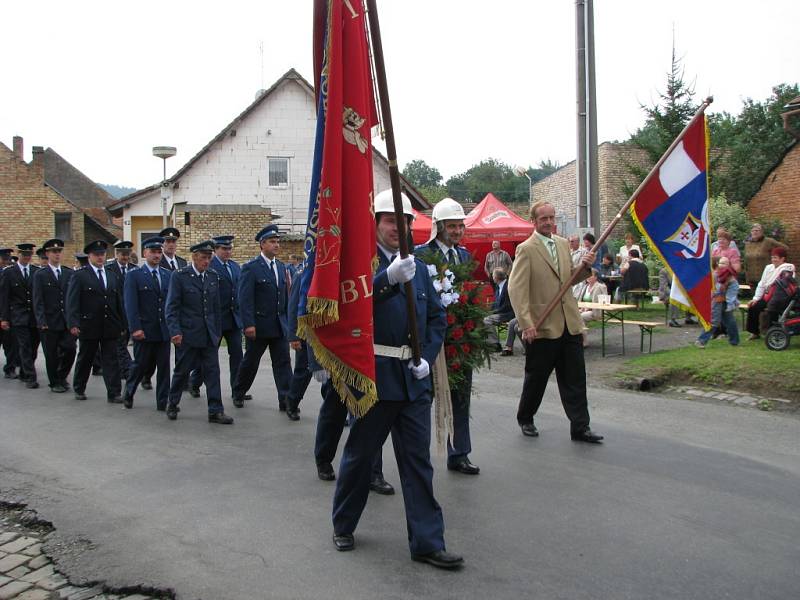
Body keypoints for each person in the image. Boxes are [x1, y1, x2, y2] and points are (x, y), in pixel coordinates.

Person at [332, 190, 463, 570]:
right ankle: (343, 523)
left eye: (406, 222)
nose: (399, 228)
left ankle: (427, 541)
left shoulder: (420, 268)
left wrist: (429, 356)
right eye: (392, 221)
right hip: (374, 379)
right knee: (360, 457)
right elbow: (349, 309)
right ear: (376, 224)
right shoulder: (360, 265)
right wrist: (386, 279)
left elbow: (436, 317)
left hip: (413, 380)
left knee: (418, 463)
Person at [508, 200, 603, 443]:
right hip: (542, 324)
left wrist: (585, 268)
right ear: (534, 221)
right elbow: (516, 289)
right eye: (543, 219)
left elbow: (571, 280)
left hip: (569, 322)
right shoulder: (526, 249)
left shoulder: (562, 244)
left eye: (551, 218)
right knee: (536, 378)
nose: (549, 222)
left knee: (575, 377)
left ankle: (580, 427)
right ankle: (526, 417)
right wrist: (526, 322)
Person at [416, 196, 479, 475]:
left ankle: (459, 453)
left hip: (459, 337)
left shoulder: (464, 256)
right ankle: (418, 455)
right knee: (424, 397)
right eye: (451, 226)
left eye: (460, 226)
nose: (457, 231)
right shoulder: (421, 254)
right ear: (438, 226)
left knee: (460, 395)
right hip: (431, 339)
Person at [164, 240, 233, 424]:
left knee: (212, 372)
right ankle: (172, 403)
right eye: (203, 258)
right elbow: (172, 307)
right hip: (188, 334)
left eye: (209, 258)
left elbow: (215, 308)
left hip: (209, 334)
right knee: (182, 371)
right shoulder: (180, 276)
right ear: (194, 257)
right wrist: (175, 331)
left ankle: (215, 410)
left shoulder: (212, 275)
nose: (207, 261)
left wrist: (217, 331)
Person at [231, 225, 292, 411]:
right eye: (272, 242)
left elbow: (285, 298)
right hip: (259, 326)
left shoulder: (281, 267)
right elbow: (245, 298)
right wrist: (248, 324)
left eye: (277, 241)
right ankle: (239, 391)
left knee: (283, 363)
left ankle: (286, 400)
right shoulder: (251, 268)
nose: (276, 245)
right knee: (250, 362)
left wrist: (289, 324)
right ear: (262, 244)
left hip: (279, 325)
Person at [66, 240, 125, 402]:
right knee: (86, 357)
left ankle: (114, 393)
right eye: (96, 255)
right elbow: (72, 301)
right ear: (90, 256)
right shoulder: (80, 275)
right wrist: (73, 323)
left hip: (109, 324)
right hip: (89, 324)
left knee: (111, 360)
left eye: (102, 254)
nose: (100, 258)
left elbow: (118, 301)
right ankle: (79, 388)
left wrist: (122, 323)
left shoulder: (112, 275)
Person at [189, 235, 245, 403]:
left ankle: (237, 390)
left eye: (229, 249)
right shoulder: (209, 266)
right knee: (208, 356)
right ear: (216, 251)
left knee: (237, 355)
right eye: (224, 249)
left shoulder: (235, 267)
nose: (227, 252)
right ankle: (195, 381)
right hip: (216, 319)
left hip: (233, 319)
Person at [121, 237, 172, 411]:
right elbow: (131, 305)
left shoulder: (167, 275)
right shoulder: (134, 276)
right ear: (145, 253)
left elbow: (171, 304)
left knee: (164, 367)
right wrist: (135, 328)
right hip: (144, 329)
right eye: (153, 252)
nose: (157, 255)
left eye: (159, 252)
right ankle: (129, 392)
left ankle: (163, 401)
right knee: (140, 365)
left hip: (163, 330)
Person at [141, 227, 187, 391]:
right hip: (160, 313)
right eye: (167, 241)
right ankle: (146, 375)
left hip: (179, 312)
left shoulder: (181, 263)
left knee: (182, 348)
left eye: (174, 241)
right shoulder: (158, 262)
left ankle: (182, 378)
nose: (171, 245)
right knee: (156, 352)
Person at [31, 239, 75, 393]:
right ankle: (54, 382)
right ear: (47, 254)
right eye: (53, 252)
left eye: (59, 251)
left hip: (66, 321)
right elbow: (38, 300)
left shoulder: (69, 273)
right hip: (49, 321)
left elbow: (72, 299)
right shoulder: (40, 275)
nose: (57, 254)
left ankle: (62, 375)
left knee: (70, 349)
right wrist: (41, 320)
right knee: (51, 354)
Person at [0, 243, 40, 388]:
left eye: (29, 255)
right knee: (24, 346)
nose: (27, 257)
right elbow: (4, 297)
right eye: (24, 255)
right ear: (19, 254)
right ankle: (30, 377)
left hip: (34, 316)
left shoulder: (36, 271)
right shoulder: (9, 272)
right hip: (18, 315)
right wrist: (4, 318)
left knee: (34, 346)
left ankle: (24, 371)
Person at [746, 247, 795, 341]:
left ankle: (772, 332)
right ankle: (754, 332)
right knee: (754, 307)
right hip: (768, 295)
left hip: (781, 297)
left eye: (776, 257)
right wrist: (756, 298)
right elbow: (762, 283)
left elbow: (782, 282)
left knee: (772, 309)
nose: (773, 260)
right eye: (772, 257)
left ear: (782, 258)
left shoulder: (788, 268)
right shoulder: (768, 268)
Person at [106, 240, 137, 380]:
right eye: (122, 254)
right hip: (115, 312)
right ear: (116, 254)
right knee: (119, 344)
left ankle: (122, 368)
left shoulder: (134, 269)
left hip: (130, 313)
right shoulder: (109, 269)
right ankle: (128, 369)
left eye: (127, 254)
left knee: (123, 343)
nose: (125, 257)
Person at [285, 259, 311, 422]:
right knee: (304, 370)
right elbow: (293, 306)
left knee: (331, 375)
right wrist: (293, 336)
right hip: (306, 331)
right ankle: (292, 402)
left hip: (327, 330)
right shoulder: (302, 274)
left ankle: (333, 409)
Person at [695, 257, 739, 348]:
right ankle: (701, 341)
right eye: (721, 263)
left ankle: (735, 341)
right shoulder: (714, 275)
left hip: (727, 303)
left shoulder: (731, 277)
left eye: (725, 263)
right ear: (717, 264)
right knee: (714, 321)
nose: (722, 265)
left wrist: (731, 300)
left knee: (730, 322)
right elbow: (711, 290)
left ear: (729, 265)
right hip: (716, 301)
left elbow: (733, 290)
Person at [744, 223, 787, 288]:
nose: (754, 232)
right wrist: (747, 277)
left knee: (766, 297)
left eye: (757, 230)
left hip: (766, 277)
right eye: (753, 230)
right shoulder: (748, 244)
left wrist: (776, 259)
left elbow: (785, 248)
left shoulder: (768, 241)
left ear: (762, 232)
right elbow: (746, 262)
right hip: (751, 279)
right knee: (755, 297)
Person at [572, 268, 608, 347]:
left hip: (597, 311)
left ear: (595, 277)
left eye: (590, 276)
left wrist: (588, 308)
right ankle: (577, 339)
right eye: (587, 276)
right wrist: (582, 309)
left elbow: (604, 301)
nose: (588, 277)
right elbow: (581, 300)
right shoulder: (585, 286)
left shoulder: (601, 286)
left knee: (580, 317)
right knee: (573, 315)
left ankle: (584, 341)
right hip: (584, 309)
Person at [0, 248, 20, 380]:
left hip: (7, 313)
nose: (6, 261)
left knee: (10, 343)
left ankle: (10, 368)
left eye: (7, 259)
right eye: (4, 259)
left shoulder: (10, 273)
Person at [484, 268, 515, 353]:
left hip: (508, 314)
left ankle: (495, 344)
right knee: (483, 317)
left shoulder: (508, 286)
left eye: (493, 275)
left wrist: (493, 312)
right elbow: (495, 303)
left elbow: (507, 306)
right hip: (501, 313)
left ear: (496, 277)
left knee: (487, 320)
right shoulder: (498, 287)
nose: (492, 277)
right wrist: (488, 311)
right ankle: (487, 343)